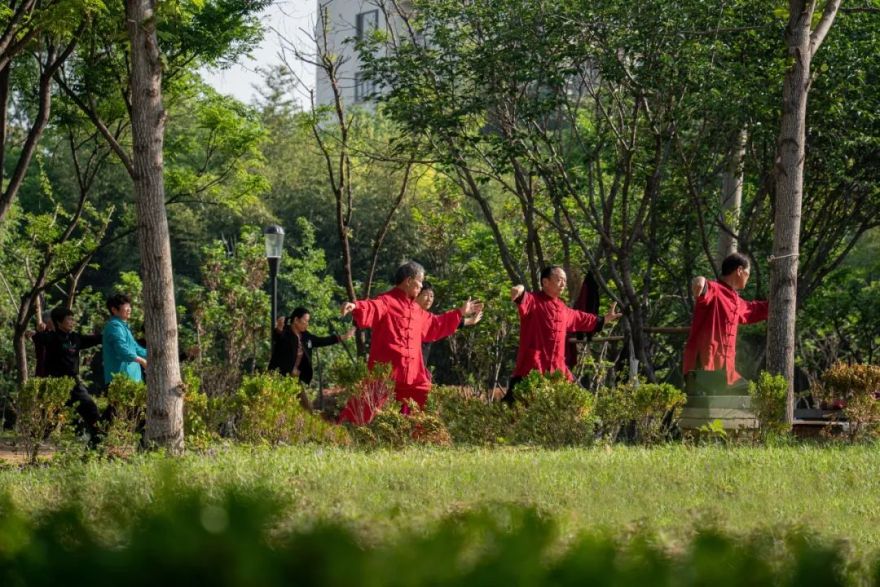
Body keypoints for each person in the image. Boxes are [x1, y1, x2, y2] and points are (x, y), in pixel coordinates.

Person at [338, 261, 483, 424]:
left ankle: (423, 438)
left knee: (427, 400)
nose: (421, 286)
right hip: (388, 371)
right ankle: (344, 431)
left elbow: (435, 324)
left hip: (413, 375)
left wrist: (461, 312)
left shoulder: (417, 310)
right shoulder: (387, 301)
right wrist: (355, 307)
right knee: (366, 406)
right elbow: (372, 307)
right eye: (420, 281)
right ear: (408, 281)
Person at [506, 265, 622, 402]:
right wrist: (518, 289)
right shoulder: (532, 300)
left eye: (565, 281)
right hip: (532, 367)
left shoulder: (563, 308)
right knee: (515, 410)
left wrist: (605, 319)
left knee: (572, 405)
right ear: (545, 282)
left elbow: (581, 318)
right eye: (559, 280)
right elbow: (519, 295)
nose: (563, 284)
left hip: (557, 370)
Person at [683, 252, 768, 393]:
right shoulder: (714, 290)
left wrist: (778, 304)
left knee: (748, 394)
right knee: (702, 410)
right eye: (748, 273)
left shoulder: (735, 300)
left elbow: (752, 310)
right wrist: (700, 280)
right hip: (703, 367)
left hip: (725, 372)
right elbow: (702, 285)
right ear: (739, 271)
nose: (748, 277)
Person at [32, 306, 103, 442]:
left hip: (73, 383)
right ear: (59, 322)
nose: (72, 322)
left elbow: (95, 339)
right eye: (69, 319)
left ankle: (97, 439)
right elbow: (37, 339)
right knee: (49, 417)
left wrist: (109, 335)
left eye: (72, 319)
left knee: (90, 407)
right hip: (56, 384)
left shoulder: (75, 338)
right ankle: (36, 443)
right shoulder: (51, 338)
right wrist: (39, 331)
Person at [268, 306, 355, 385]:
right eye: (305, 321)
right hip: (278, 377)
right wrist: (279, 328)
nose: (307, 324)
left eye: (308, 321)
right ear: (296, 320)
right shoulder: (285, 332)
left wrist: (344, 337)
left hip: (294, 379)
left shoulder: (306, 336)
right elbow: (277, 336)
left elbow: (322, 341)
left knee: (303, 402)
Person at [415, 281, 483, 367]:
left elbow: (441, 323)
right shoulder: (411, 314)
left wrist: (470, 320)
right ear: (416, 295)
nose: (429, 299)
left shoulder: (427, 317)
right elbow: (440, 323)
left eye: (431, 296)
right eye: (425, 295)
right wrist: (461, 312)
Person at [102, 294, 147, 385]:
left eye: (129, 305)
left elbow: (136, 348)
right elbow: (122, 351)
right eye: (125, 306)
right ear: (114, 310)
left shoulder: (123, 326)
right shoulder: (114, 326)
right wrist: (142, 361)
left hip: (131, 380)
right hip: (121, 382)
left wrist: (155, 354)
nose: (129, 309)